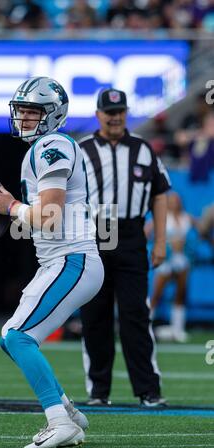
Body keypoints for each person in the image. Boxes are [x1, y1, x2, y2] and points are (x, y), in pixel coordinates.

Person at [0, 76, 104, 448]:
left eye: (33, 111)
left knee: (19, 337)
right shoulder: (42, 147)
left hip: (73, 258)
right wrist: (8, 207)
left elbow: (48, 215)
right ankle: (68, 411)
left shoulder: (53, 144)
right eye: (22, 111)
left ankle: (58, 421)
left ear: (54, 115)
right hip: (58, 262)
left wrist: (10, 207)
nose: (25, 118)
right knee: (9, 338)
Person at [79, 87, 171, 407]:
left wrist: (160, 240)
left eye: (120, 112)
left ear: (126, 113)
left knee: (135, 315)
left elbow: (160, 193)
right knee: (95, 315)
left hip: (131, 232)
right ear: (98, 114)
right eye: (109, 112)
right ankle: (98, 390)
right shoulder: (81, 150)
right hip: (95, 231)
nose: (115, 117)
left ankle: (148, 390)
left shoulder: (144, 149)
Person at [148, 192, 192, 343]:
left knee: (180, 294)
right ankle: (145, 327)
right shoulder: (161, 217)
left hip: (181, 260)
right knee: (156, 295)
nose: (174, 203)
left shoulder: (187, 218)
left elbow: (201, 232)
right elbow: (147, 232)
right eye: (171, 200)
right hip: (165, 260)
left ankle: (178, 329)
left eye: (176, 200)